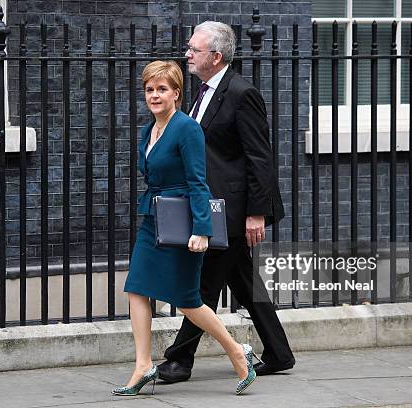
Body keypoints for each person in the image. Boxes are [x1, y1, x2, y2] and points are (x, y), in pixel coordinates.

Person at [158, 21, 295, 382]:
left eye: (194, 49)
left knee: (204, 284)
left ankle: (179, 360)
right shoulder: (202, 92)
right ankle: (279, 353)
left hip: (233, 210)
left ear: (215, 56)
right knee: (243, 282)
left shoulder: (240, 92)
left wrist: (256, 214)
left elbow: (260, 157)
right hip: (213, 205)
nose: (187, 54)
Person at [111, 61, 257, 397]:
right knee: (137, 287)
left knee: (188, 300)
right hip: (153, 219)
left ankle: (238, 351)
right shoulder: (149, 131)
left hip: (184, 222)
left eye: (162, 89)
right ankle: (143, 365)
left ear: (176, 93)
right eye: (150, 89)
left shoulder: (187, 128)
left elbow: (198, 181)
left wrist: (202, 230)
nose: (155, 95)